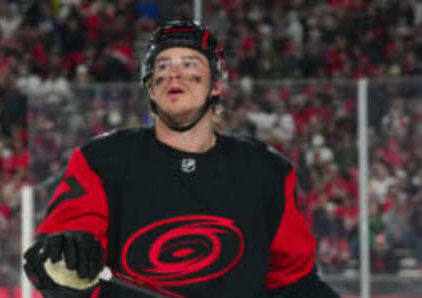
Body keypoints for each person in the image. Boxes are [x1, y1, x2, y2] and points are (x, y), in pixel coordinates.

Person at [23, 19, 340, 298]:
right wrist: (63, 257)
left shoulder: (266, 171)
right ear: (151, 88)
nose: (174, 72)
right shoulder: (102, 161)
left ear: (216, 85)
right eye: (162, 66)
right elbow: (50, 262)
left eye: (189, 64)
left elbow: (295, 283)